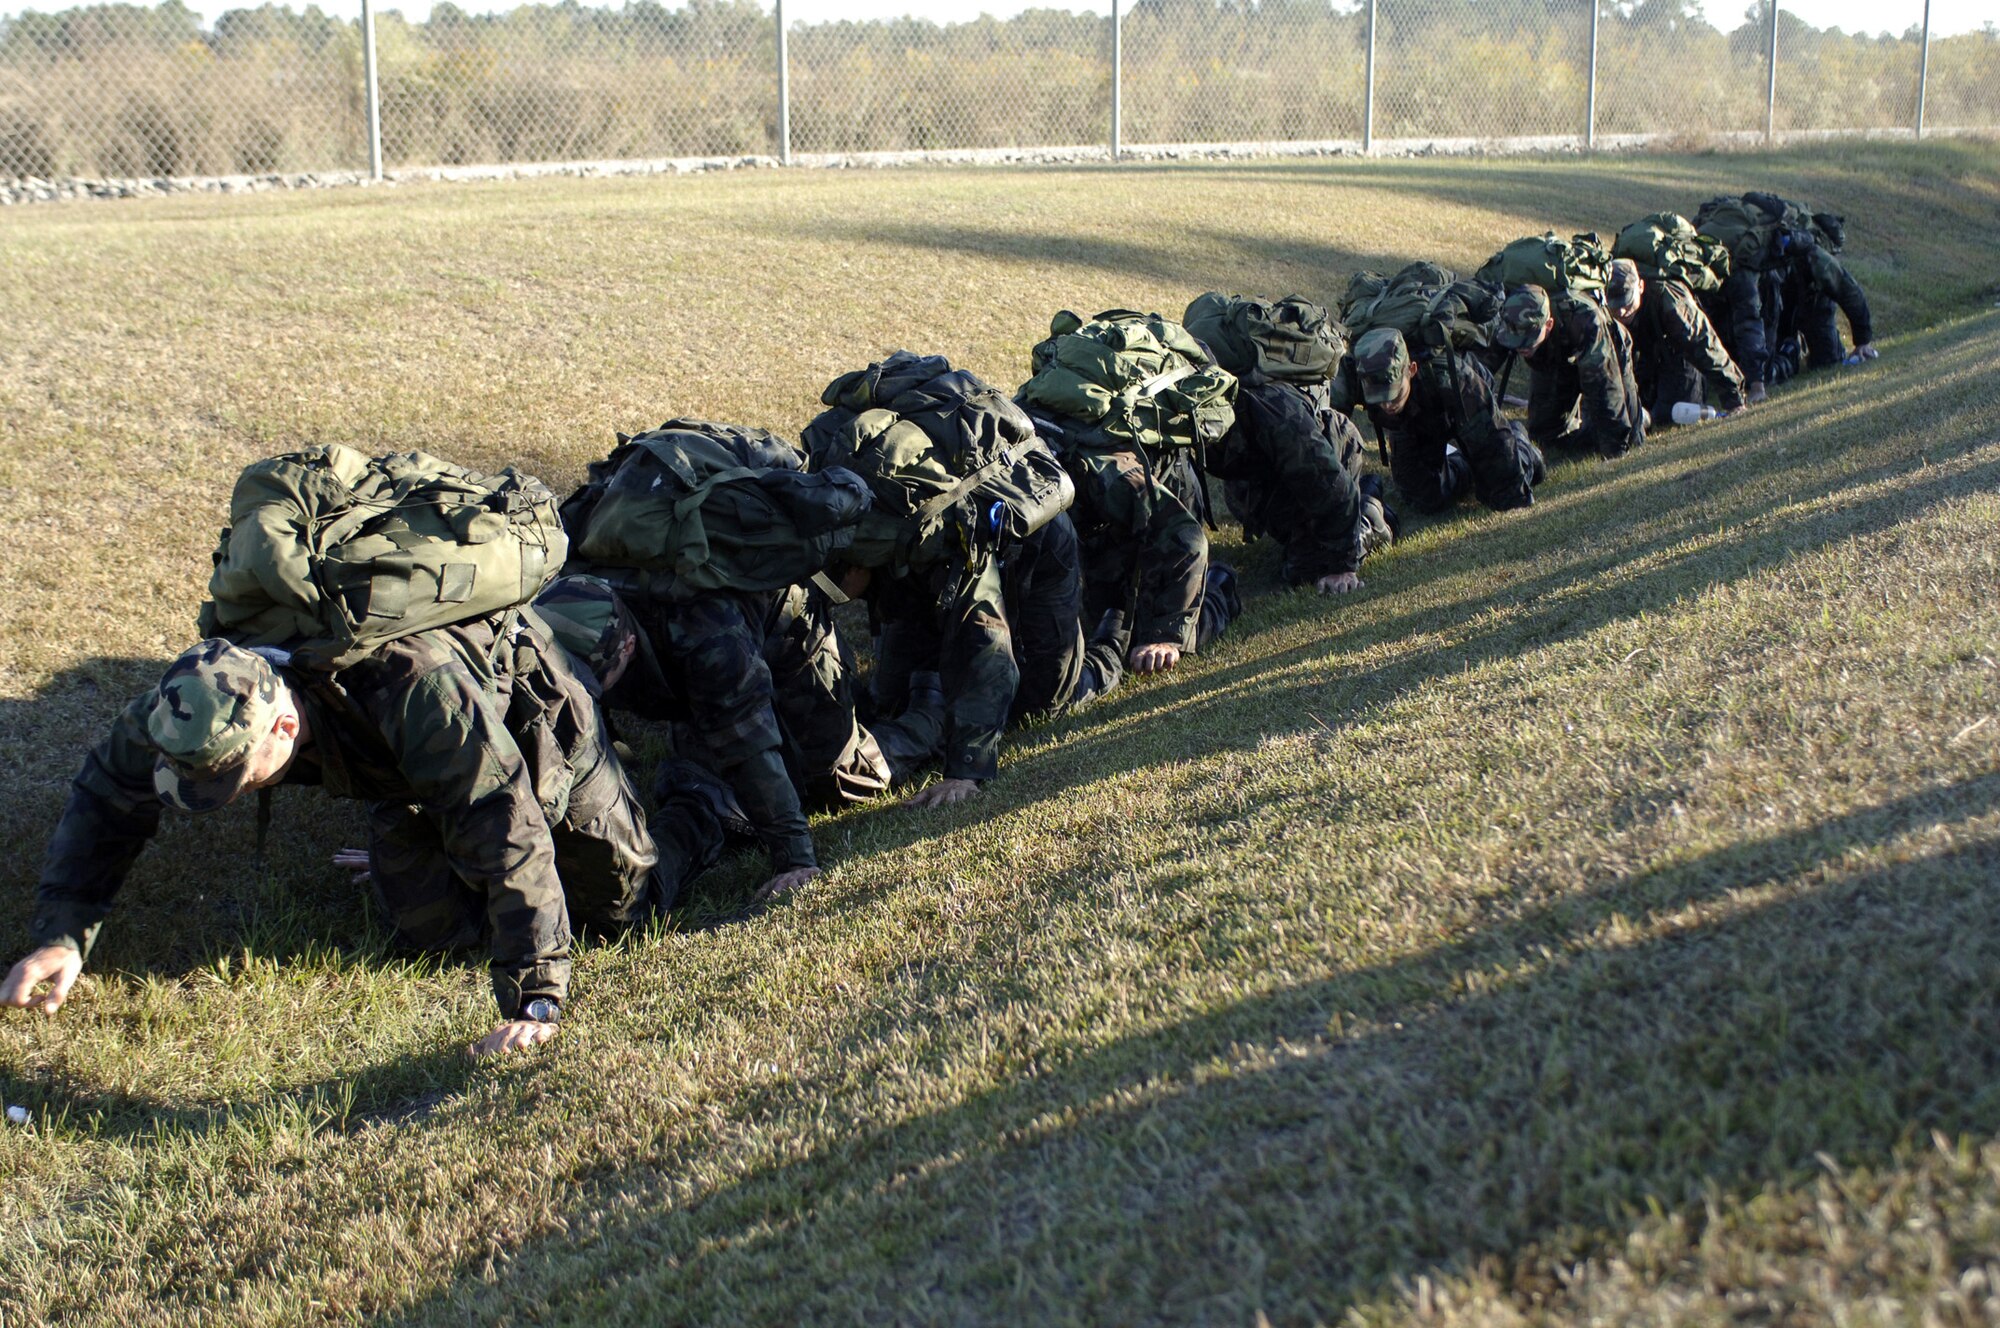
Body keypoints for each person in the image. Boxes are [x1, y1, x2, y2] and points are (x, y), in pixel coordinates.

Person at [2, 623, 722, 1058]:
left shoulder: (416, 689)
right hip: (405, 772)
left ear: (283, 729)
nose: (223, 797)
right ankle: (430, 837)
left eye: (236, 780)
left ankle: (701, 797)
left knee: (623, 910)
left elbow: (511, 832)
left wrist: (536, 1001)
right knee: (432, 933)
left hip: (529, 727)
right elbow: (107, 794)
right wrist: (63, 934)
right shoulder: (195, 706)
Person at [534, 572, 942, 876]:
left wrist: (794, 861)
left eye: (599, 678)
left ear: (627, 645)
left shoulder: (706, 641)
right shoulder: (567, 629)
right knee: (705, 788)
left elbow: (749, 743)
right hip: (699, 674)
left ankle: (932, 706)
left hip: (787, 636)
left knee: (844, 776)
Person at [1186, 292, 1396, 596]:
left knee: (1307, 568)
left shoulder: (1277, 413)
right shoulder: (1182, 405)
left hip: (1328, 452)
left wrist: (1341, 565)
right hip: (1262, 465)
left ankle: (1370, 516)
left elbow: (1329, 481)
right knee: (1288, 534)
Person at [1333, 326, 1542, 514]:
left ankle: (1522, 446)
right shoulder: (1359, 378)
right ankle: (1465, 467)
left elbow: (1491, 433)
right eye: (1379, 399)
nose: (1387, 405)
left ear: (1411, 370)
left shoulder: (1454, 379)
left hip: (1462, 408)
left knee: (1503, 489)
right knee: (1424, 498)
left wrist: (1508, 471)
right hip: (1414, 421)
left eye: (1394, 395)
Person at [1491, 285, 1646, 460]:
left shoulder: (1586, 321)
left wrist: (1615, 452)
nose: (1521, 346)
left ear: (1548, 324)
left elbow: (1605, 388)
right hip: (1555, 355)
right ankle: (1587, 427)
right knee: (1545, 436)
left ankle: (1640, 418)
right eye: (1516, 339)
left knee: (1630, 438)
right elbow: (1481, 372)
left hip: (1607, 352)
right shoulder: (1508, 318)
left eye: (1528, 339)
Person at [1601, 258, 1748, 424]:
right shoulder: (1601, 310)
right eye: (1614, 304)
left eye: (1626, 301)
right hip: (1643, 362)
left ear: (1640, 286)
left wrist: (1734, 400)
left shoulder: (1671, 303)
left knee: (1669, 415)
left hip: (1678, 356)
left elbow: (1704, 344)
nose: (1620, 311)